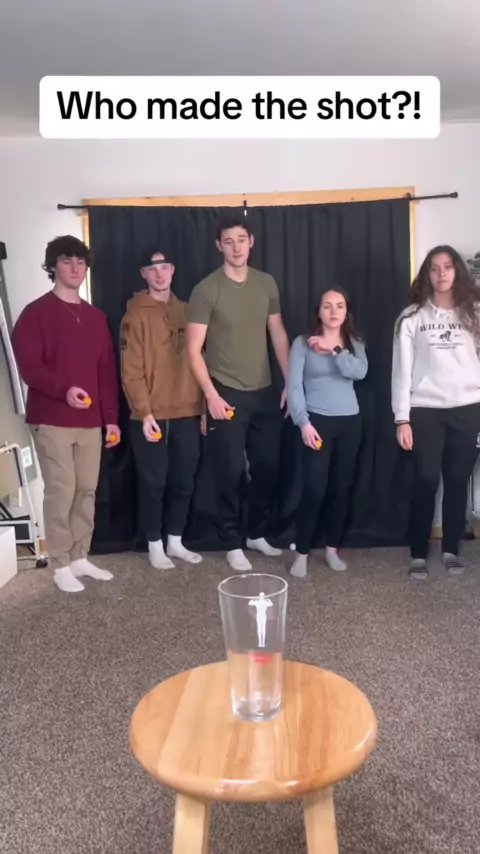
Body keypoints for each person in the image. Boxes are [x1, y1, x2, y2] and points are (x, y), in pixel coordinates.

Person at [11, 235, 121, 593]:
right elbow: (30, 368)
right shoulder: (35, 314)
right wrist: (64, 390)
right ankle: (59, 562)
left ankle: (79, 556)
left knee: (86, 489)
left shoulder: (96, 318)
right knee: (62, 490)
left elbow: (106, 372)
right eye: (66, 261)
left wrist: (111, 418)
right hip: (51, 419)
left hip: (90, 422)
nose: (75, 268)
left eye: (80, 262)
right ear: (52, 266)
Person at [186, 215, 290, 571]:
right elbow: (192, 350)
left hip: (264, 391)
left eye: (241, 240)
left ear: (251, 242)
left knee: (268, 468)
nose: (236, 247)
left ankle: (256, 533)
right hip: (225, 392)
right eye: (228, 241)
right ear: (219, 246)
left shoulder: (266, 283)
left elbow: (277, 334)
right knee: (229, 472)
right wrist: (211, 396)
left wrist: (290, 383)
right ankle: (231, 541)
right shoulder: (206, 289)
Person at [392, 244, 480, 579]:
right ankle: (418, 552)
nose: (441, 273)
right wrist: (402, 418)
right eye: (434, 267)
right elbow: (401, 370)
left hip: (468, 408)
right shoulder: (411, 317)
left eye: (447, 266)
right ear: (427, 274)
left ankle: (451, 550)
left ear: (457, 271)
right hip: (425, 409)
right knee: (426, 480)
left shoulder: (474, 312)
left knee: (457, 482)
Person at [120, 248, 204, 570]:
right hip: (151, 415)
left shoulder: (188, 311)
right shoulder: (134, 315)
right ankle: (154, 544)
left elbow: (202, 361)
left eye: (164, 267)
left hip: (186, 411)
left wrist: (202, 409)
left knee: (184, 481)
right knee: (153, 483)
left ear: (173, 270)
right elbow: (131, 370)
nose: (159, 273)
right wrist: (144, 411)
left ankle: (175, 541)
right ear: (144, 273)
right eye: (152, 268)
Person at [287, 288, 367, 578]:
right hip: (317, 422)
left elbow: (359, 372)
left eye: (340, 306)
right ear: (318, 311)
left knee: (341, 490)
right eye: (327, 306)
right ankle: (302, 553)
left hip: (350, 423)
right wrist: (303, 423)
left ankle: (332, 549)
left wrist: (334, 350)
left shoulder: (354, 342)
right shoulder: (301, 343)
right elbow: (294, 386)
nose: (334, 311)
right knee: (314, 490)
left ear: (346, 312)